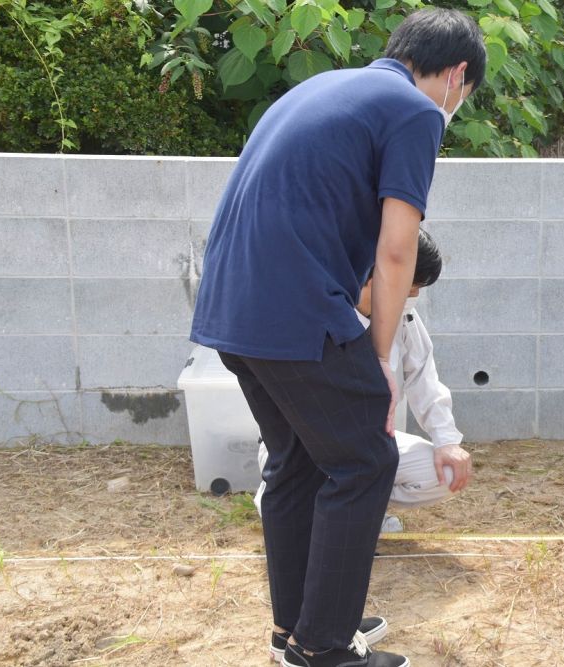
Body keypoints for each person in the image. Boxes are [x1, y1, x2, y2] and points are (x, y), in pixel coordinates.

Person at [189, 8, 486, 666]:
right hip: (295, 310)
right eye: (463, 95)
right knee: (365, 460)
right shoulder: (413, 110)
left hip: (232, 310)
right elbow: (396, 251)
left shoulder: (322, 87)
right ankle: (323, 644)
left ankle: (297, 625)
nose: (455, 107)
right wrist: (377, 355)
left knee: (296, 459)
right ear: (457, 74)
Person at [254, 230, 472, 536]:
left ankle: (365, 512)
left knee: (445, 474)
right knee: (295, 513)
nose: (414, 295)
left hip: (367, 440)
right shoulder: (320, 309)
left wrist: (446, 441)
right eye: (413, 285)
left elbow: (424, 378)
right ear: (383, 271)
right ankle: (296, 503)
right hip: (304, 443)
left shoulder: (405, 316)